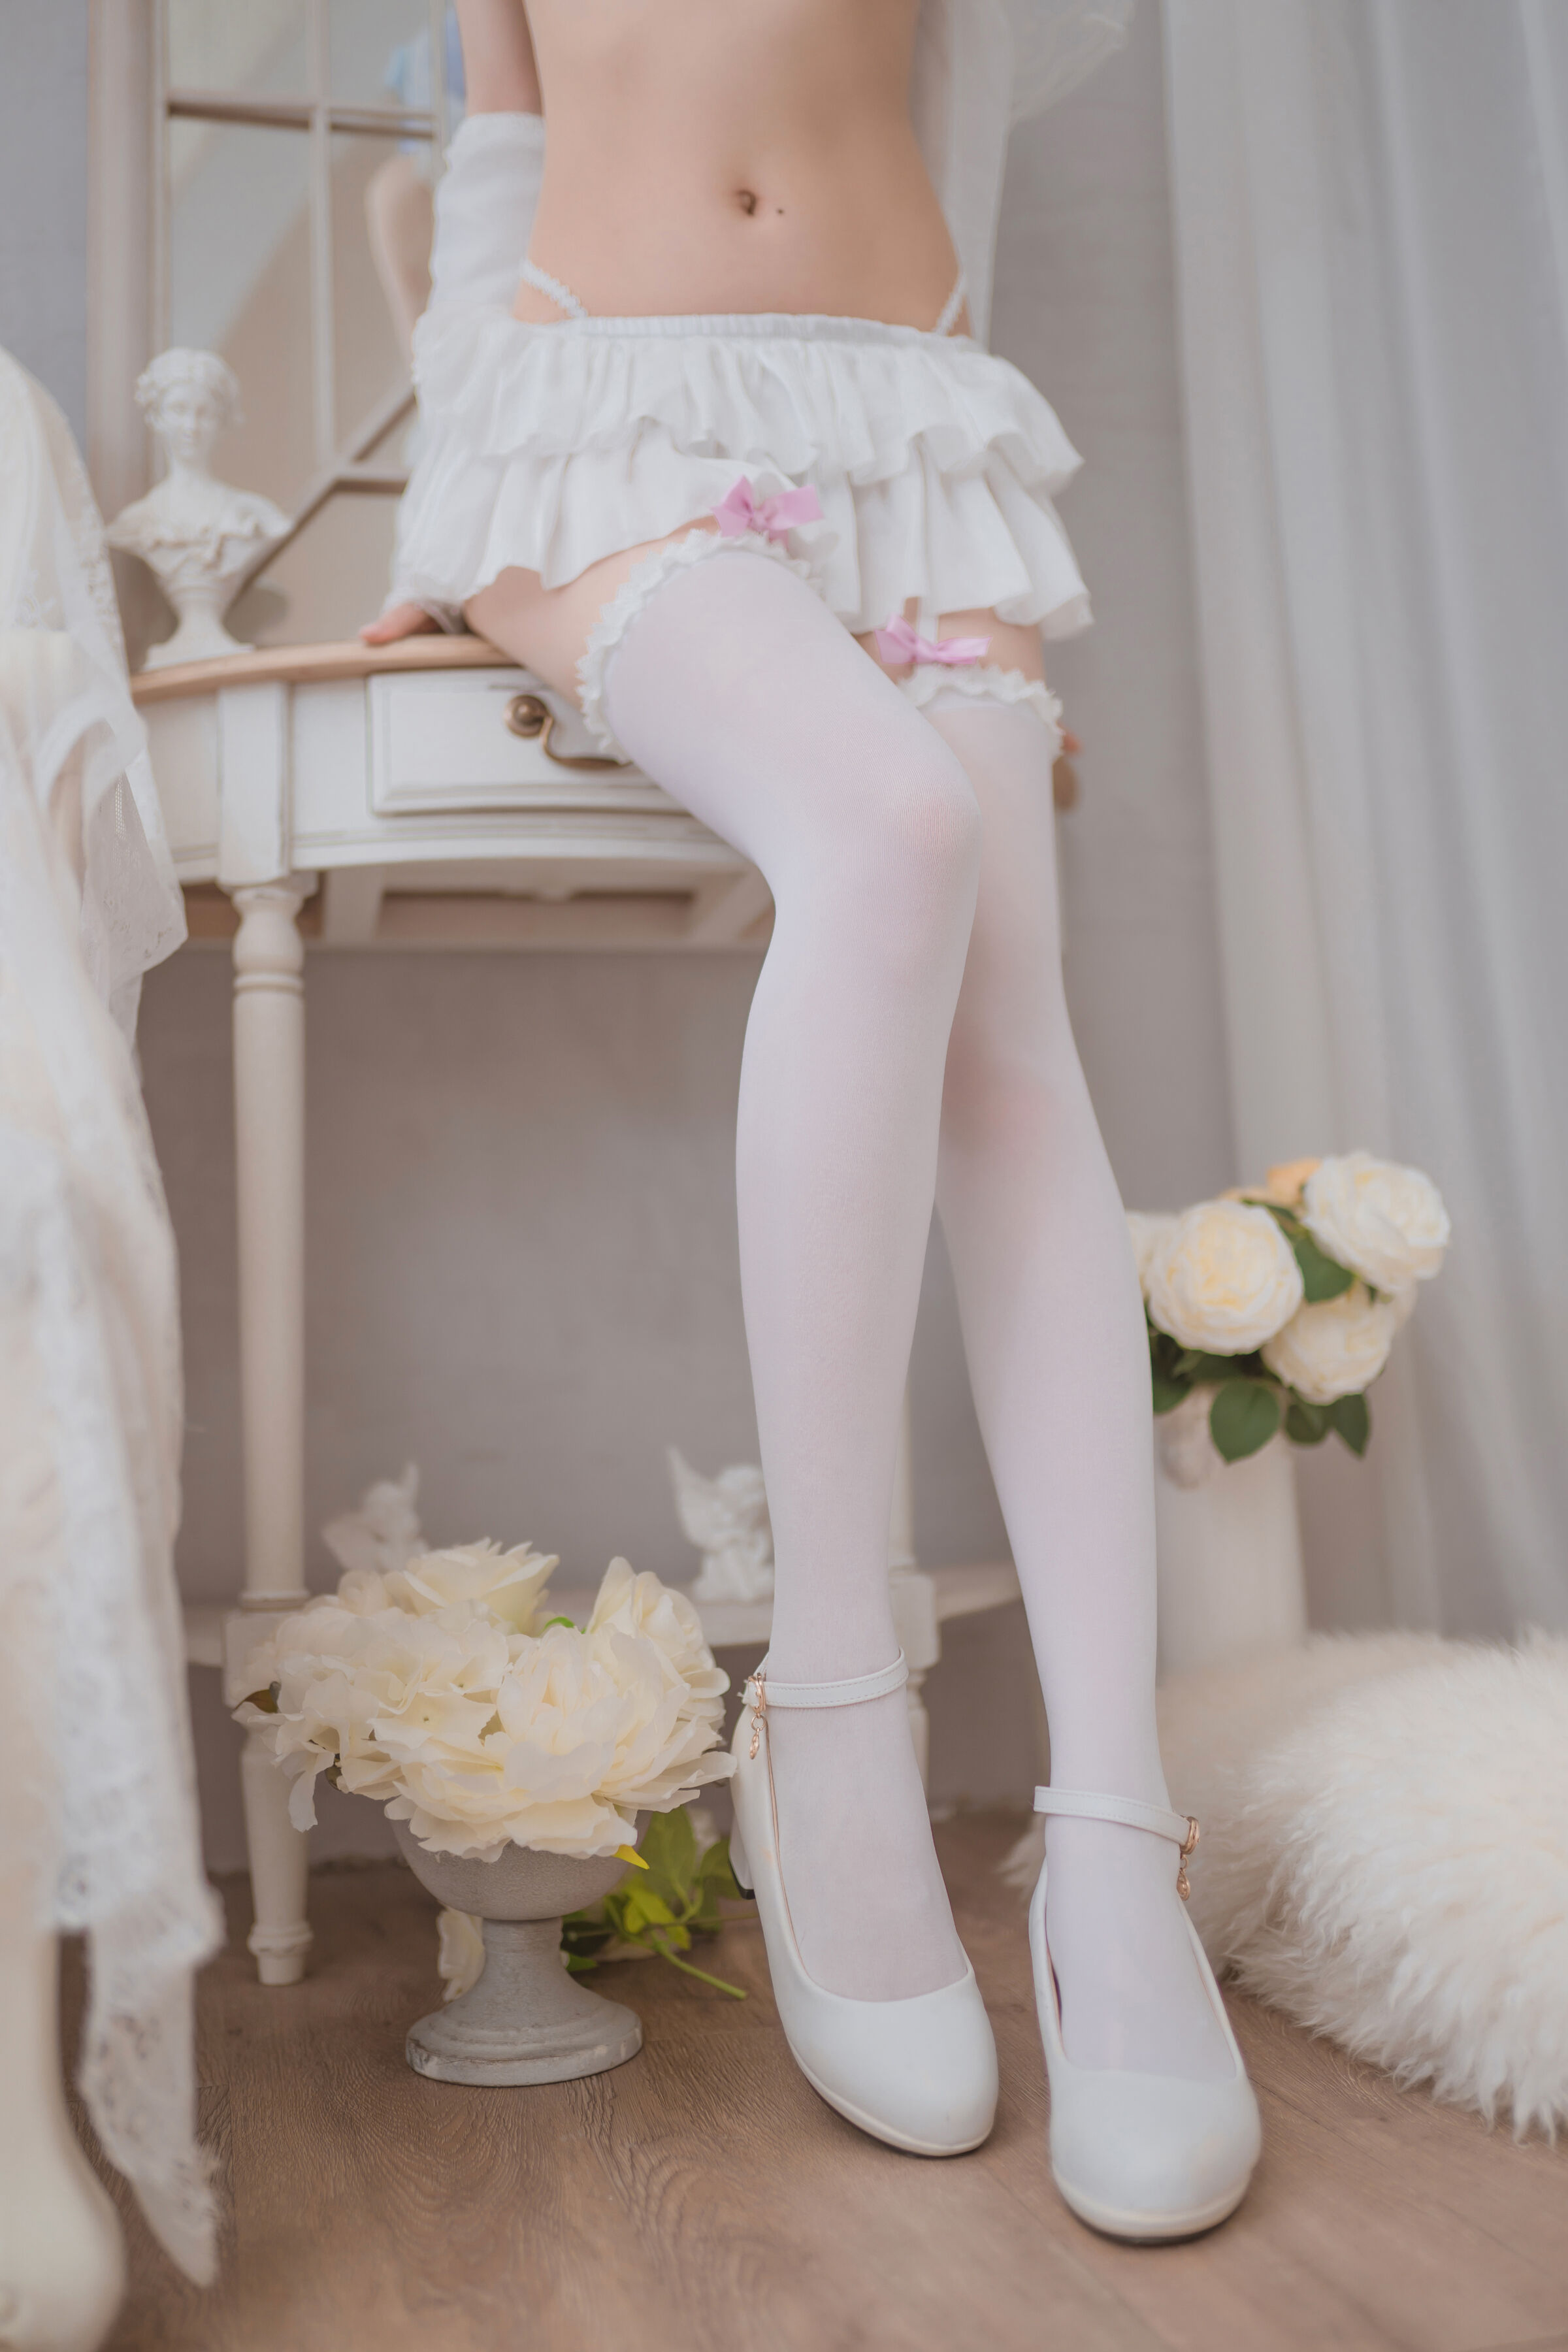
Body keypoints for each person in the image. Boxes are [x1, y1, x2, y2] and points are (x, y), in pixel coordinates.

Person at [367, 0, 1260, 2240]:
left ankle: (1114, 1837)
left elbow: (951, 83)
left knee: (1019, 1061)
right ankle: (833, 1712)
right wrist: (459, 459)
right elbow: (503, 116)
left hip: (907, 409)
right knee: (890, 830)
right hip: (593, 401)